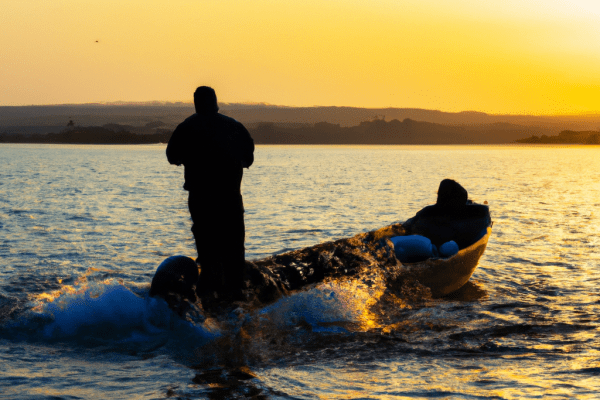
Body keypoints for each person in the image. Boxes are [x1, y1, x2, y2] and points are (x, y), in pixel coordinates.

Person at [166, 86, 254, 301]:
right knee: (233, 241)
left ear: (196, 104)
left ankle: (208, 287)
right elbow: (248, 158)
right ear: (215, 102)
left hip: (201, 198)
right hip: (229, 196)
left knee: (206, 241)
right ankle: (235, 290)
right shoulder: (234, 127)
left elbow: (172, 156)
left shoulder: (186, 127)